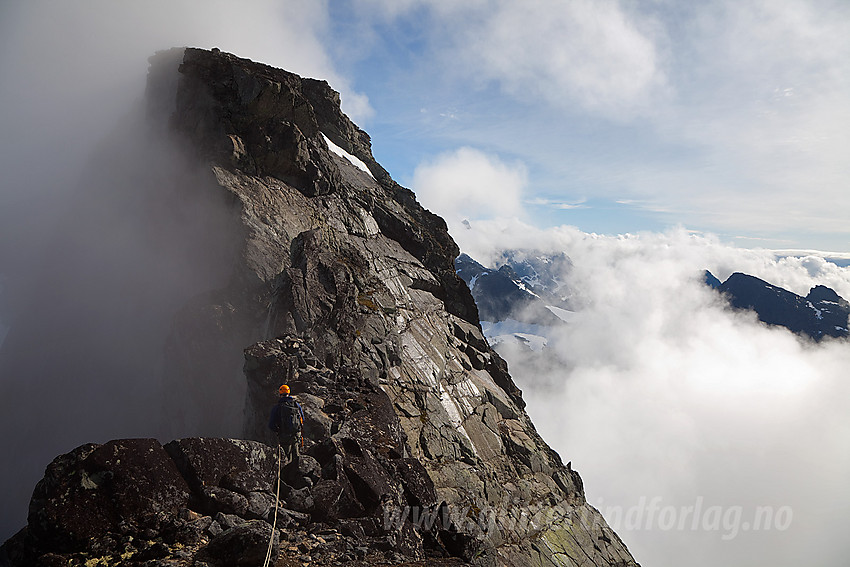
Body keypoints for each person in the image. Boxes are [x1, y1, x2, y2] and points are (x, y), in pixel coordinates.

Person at [268, 384, 304, 465]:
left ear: (280, 394)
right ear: (289, 393)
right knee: (296, 457)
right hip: (296, 435)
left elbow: (271, 425)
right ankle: (297, 474)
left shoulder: (277, 407)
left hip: (284, 437)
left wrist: (278, 431)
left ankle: (285, 475)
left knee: (284, 459)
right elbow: (302, 419)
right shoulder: (296, 405)